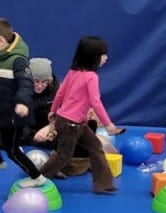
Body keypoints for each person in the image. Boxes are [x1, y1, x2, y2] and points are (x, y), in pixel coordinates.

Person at [37, 36, 124, 193]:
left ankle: (103, 184)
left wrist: (53, 111)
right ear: (93, 56)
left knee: (96, 146)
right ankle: (37, 177)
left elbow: (60, 93)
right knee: (63, 156)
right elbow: (95, 102)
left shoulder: (73, 72)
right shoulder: (91, 77)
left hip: (72, 122)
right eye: (103, 54)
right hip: (70, 125)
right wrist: (108, 123)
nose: (106, 58)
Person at [0, 18, 46, 187]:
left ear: (1, 40)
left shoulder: (18, 60)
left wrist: (22, 102)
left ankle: (37, 177)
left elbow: (26, 83)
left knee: (12, 150)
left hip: (13, 115)